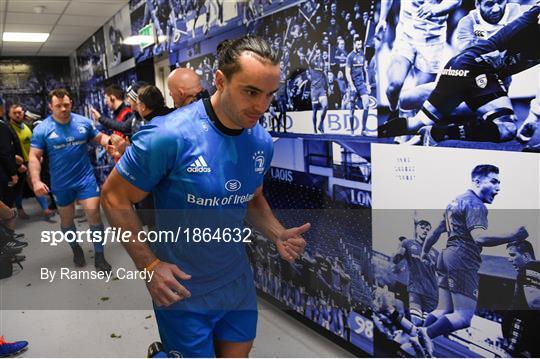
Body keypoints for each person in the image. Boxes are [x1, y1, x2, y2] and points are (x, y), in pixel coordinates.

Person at [101, 35, 309, 357]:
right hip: (183, 289)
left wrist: (276, 231)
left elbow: (250, 197)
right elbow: (114, 197)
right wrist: (149, 265)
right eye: (251, 92)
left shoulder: (262, 142)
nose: (261, 106)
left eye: (269, 95)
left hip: (237, 282)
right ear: (221, 81)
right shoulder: (167, 135)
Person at [378, 5, 540, 146]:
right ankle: (441, 133)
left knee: (418, 122)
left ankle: (375, 133)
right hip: (476, 72)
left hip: (459, 67)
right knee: (506, 128)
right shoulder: (531, 16)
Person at [414, 164, 529, 357]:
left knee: (443, 309)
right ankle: (425, 334)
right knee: (463, 317)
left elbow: (435, 232)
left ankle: (417, 338)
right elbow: (480, 238)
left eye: (499, 183)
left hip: (446, 256)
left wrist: (424, 252)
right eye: (493, 181)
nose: (498, 188)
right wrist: (514, 235)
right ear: (476, 181)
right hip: (463, 258)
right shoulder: (475, 204)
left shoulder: (455, 201)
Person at [29, 89, 112, 272]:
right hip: (61, 183)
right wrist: (35, 181)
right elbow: (34, 156)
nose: (63, 109)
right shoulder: (42, 129)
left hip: (85, 179)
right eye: (58, 106)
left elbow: (100, 138)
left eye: (66, 105)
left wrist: (112, 143)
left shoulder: (83, 122)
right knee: (67, 220)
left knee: (94, 215)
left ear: (71, 104)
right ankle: (76, 249)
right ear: (51, 107)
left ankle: (99, 255)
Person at [375, 0, 462, 114]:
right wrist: (382, 19)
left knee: (418, 97)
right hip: (406, 35)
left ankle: (411, 124)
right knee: (393, 86)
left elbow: (457, 1)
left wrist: (436, 8)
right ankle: (394, 111)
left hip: (432, 40)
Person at [7, 104, 54, 220]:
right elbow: (6, 148)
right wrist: (17, 163)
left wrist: (39, 155)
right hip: (19, 164)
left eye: (20, 112)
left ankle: (45, 209)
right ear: (9, 115)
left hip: (31, 161)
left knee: (34, 184)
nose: (18, 115)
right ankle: (20, 209)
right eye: (15, 113)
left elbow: (35, 143)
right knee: (19, 188)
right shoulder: (8, 129)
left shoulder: (27, 126)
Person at [392, 220, 439, 326]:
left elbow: (442, 273)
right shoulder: (408, 244)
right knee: (416, 323)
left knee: (426, 328)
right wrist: (398, 254)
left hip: (432, 295)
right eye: (422, 228)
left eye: (428, 229)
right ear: (416, 229)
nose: (425, 231)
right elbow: (396, 260)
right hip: (415, 290)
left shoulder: (436, 253)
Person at [503, 240, 540, 357]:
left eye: (513, 255)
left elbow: (534, 302)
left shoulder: (531, 266)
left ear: (525, 256)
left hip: (521, 335)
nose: (509, 259)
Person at [346, 36, 370, 135]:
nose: (360, 46)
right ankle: (351, 131)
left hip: (361, 85)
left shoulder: (362, 55)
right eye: (358, 44)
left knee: (366, 106)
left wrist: (367, 83)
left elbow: (365, 70)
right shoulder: (350, 56)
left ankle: (363, 129)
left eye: (361, 44)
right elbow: (347, 73)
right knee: (351, 109)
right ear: (354, 44)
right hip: (353, 85)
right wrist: (351, 85)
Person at [307, 43, 328, 133]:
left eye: (319, 54)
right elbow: (308, 60)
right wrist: (313, 50)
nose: (318, 55)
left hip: (321, 89)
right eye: (317, 53)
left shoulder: (322, 62)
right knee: (315, 110)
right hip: (314, 90)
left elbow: (324, 74)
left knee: (325, 106)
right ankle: (315, 128)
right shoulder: (312, 62)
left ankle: (320, 124)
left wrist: (329, 86)